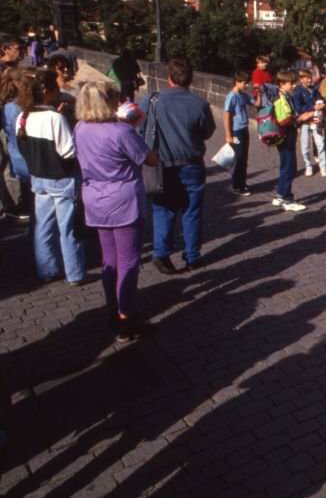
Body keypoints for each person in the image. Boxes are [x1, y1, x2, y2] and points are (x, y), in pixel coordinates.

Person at [74, 82, 158, 342]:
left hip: (95, 196)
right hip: (122, 198)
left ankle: (113, 309)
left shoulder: (79, 128)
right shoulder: (121, 131)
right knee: (129, 261)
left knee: (109, 260)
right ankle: (126, 316)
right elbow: (149, 159)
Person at [15, 69, 86, 285]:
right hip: (61, 178)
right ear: (49, 91)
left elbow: (21, 146)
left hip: (38, 176)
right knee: (67, 228)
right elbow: (68, 152)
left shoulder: (23, 116)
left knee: (43, 226)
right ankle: (74, 273)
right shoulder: (55, 118)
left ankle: (46, 269)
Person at [149, 59, 216, 275]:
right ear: (191, 78)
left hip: (162, 165)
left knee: (163, 210)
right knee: (192, 211)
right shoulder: (199, 103)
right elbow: (207, 132)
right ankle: (192, 256)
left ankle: (161, 253)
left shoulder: (153, 101)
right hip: (191, 164)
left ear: (169, 78)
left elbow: (140, 127)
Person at [271, 71, 313, 211]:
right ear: (282, 84)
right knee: (290, 167)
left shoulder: (284, 96)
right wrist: (301, 118)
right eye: (291, 83)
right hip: (286, 136)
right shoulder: (281, 98)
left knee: (285, 165)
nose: (294, 85)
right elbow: (284, 120)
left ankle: (279, 194)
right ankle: (286, 198)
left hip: (284, 136)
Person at [0, 66, 32, 222]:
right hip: (24, 157)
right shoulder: (15, 108)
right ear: (19, 84)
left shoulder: (9, 107)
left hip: (17, 156)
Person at [223, 71, 254, 196]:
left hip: (244, 128)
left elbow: (255, 103)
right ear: (237, 82)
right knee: (239, 158)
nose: (246, 85)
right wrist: (228, 135)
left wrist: (260, 91)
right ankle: (237, 186)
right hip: (236, 130)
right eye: (245, 83)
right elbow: (227, 116)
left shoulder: (242, 95)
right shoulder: (232, 96)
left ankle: (242, 182)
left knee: (244, 158)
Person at [295, 70, 326, 178]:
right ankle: (308, 165)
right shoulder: (298, 91)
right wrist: (313, 108)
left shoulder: (314, 90)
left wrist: (324, 106)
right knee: (305, 146)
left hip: (316, 120)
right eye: (307, 78)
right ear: (301, 79)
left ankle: (323, 166)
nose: (309, 80)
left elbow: (320, 101)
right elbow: (298, 108)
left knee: (320, 144)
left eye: (310, 77)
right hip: (305, 122)